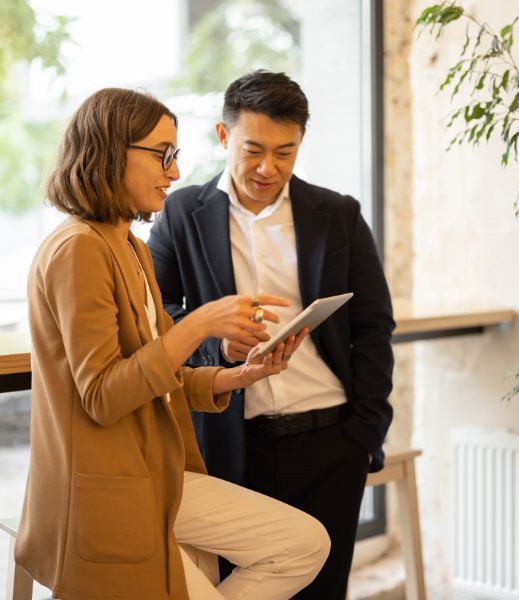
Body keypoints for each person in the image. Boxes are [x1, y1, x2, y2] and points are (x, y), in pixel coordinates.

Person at [14, 87, 330, 600]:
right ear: (111, 151)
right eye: (162, 155)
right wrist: (200, 323)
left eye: (175, 156)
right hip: (109, 494)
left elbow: (162, 377)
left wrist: (238, 375)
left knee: (304, 543)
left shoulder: (130, 248)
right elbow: (103, 395)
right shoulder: (77, 250)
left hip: (157, 475)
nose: (175, 172)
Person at [148, 71, 395, 599]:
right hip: (228, 446)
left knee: (323, 592)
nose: (268, 168)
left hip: (332, 440)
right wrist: (216, 343)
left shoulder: (339, 215)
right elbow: (154, 313)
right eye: (253, 149)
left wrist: (365, 431)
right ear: (223, 136)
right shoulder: (180, 214)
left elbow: (374, 326)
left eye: (285, 152)